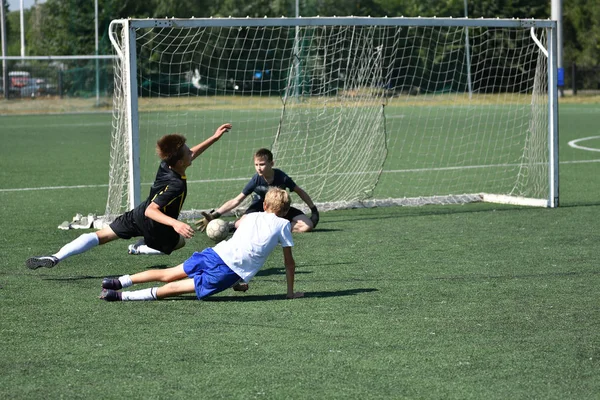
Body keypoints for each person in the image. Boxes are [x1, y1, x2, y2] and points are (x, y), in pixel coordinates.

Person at [25, 123, 232, 270]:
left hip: (138, 214)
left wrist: (214, 138)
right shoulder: (176, 184)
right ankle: (139, 248)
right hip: (155, 222)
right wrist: (175, 224)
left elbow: (191, 153)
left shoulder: (167, 165)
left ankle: (56, 256)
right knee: (179, 243)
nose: (191, 153)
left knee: (101, 236)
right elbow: (154, 211)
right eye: (187, 153)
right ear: (179, 163)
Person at [100, 188, 304, 302]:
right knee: (175, 288)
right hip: (227, 272)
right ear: (286, 211)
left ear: (265, 205)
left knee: (167, 274)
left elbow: (242, 238)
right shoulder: (284, 225)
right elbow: (289, 264)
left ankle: (117, 282)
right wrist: (289, 292)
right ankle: (120, 296)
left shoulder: (250, 216)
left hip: (215, 253)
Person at [196, 148, 319, 234]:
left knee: (307, 226)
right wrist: (215, 214)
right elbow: (237, 200)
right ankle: (231, 225)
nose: (258, 168)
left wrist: (313, 210)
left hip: (280, 208)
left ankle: (273, 228)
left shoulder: (282, 177)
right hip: (260, 207)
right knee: (240, 226)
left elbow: (300, 191)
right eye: (256, 164)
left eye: (262, 164)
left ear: (271, 163)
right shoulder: (256, 180)